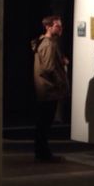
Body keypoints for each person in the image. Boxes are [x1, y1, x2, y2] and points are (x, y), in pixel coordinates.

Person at [31, 15, 70, 162]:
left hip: (44, 89)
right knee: (44, 124)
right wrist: (60, 83)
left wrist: (61, 61)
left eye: (60, 26)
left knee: (43, 123)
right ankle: (43, 154)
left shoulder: (44, 42)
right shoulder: (49, 44)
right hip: (49, 90)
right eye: (57, 26)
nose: (60, 29)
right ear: (48, 27)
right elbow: (48, 67)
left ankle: (42, 152)